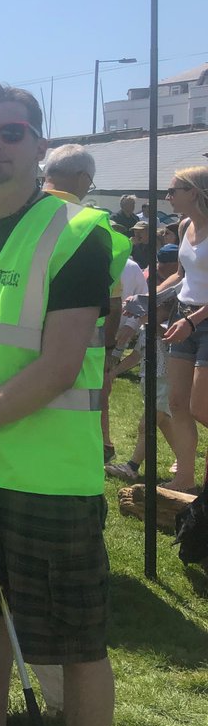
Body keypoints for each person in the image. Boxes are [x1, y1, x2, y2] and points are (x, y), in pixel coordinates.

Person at [0, 83, 119, 726]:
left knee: (76, 642)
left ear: (39, 144)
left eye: (11, 133)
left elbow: (60, 365)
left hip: (48, 477)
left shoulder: (80, 232)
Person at [42, 144, 132, 463]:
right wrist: (110, 351)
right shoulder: (92, 227)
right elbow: (114, 304)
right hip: (78, 359)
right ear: (82, 179)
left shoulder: (14, 217)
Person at [106, 243, 181, 482]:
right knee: (164, 422)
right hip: (151, 378)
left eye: (155, 309)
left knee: (146, 424)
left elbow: (169, 338)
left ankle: (132, 467)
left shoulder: (171, 323)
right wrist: (115, 371)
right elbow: (138, 354)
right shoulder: (147, 327)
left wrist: (151, 321)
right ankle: (184, 459)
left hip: (165, 378)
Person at [156, 166, 208, 493]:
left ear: (194, 191)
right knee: (176, 404)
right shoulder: (184, 225)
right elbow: (181, 275)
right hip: (184, 317)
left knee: (200, 407)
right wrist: (150, 296)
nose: (168, 196)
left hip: (199, 321)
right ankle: (185, 480)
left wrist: (192, 321)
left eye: (173, 191)